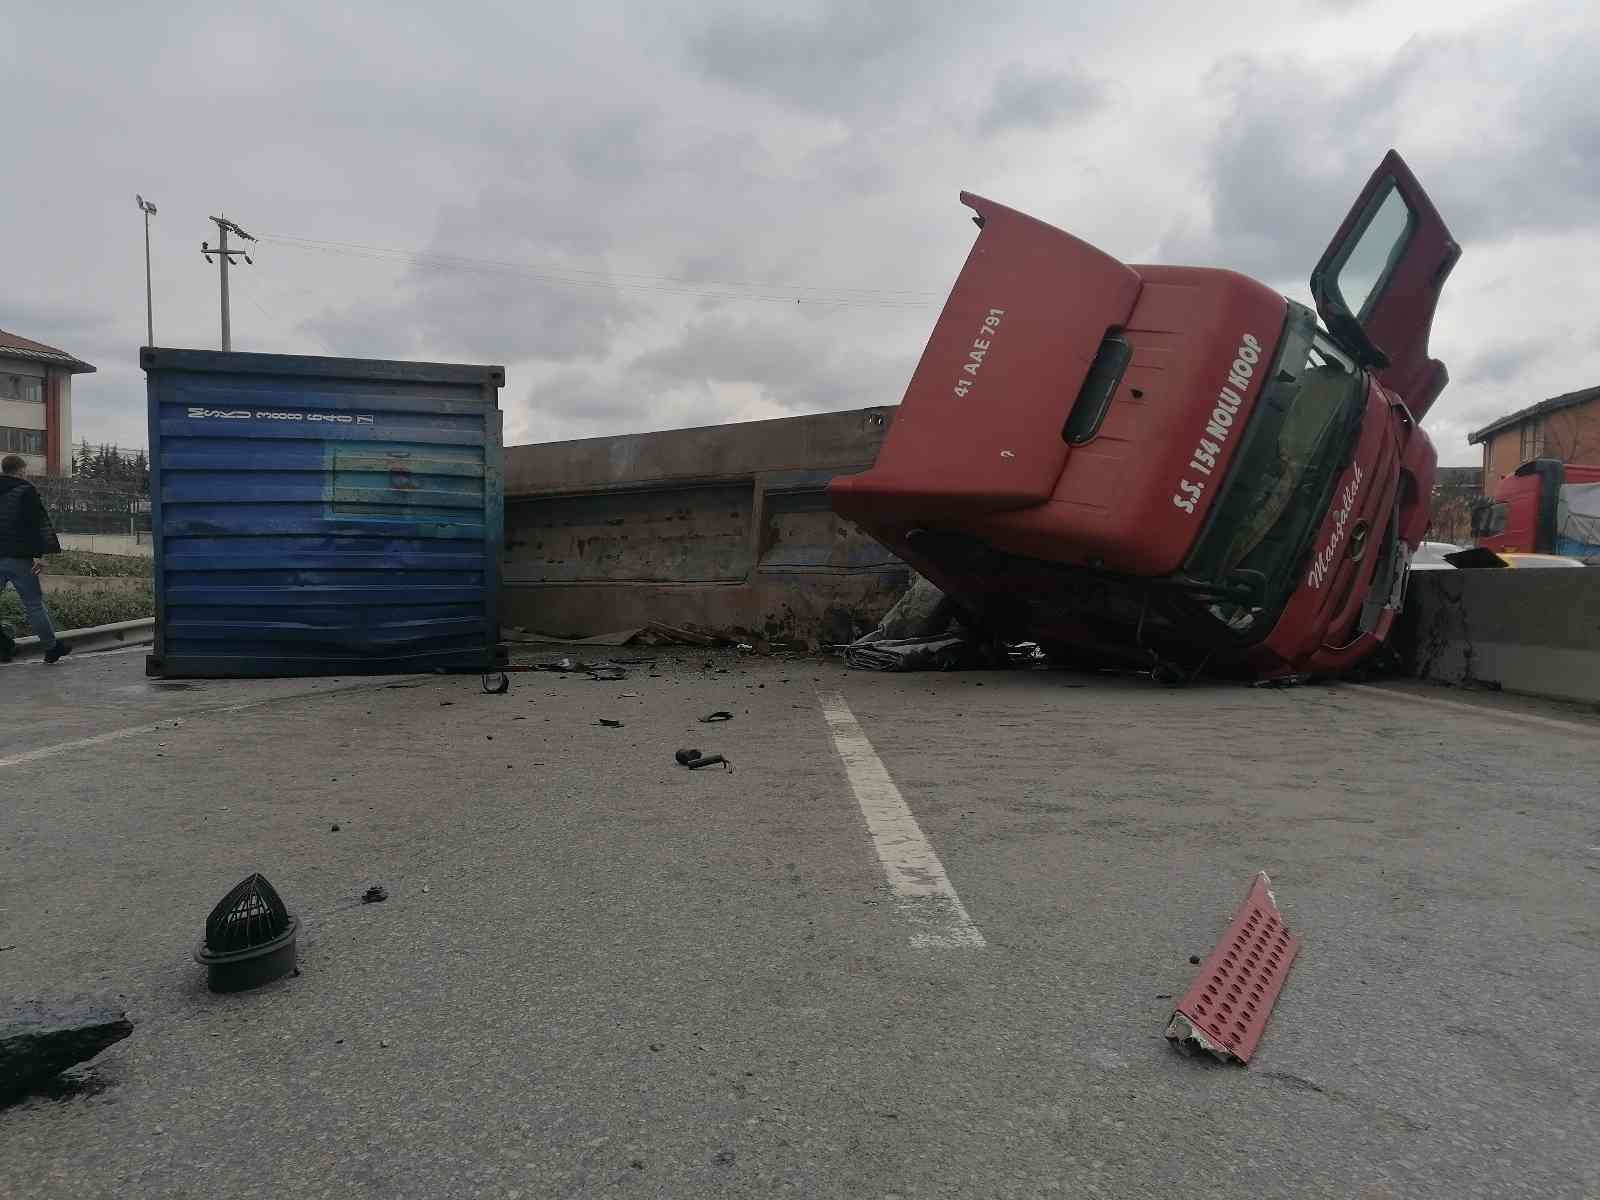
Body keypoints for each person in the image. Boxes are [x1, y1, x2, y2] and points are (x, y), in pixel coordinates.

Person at [0, 454, 72, 664]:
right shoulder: (26, 490)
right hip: (18, 558)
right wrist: (39, 555)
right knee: (33, 605)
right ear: (21, 470)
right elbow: (35, 525)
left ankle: (3, 646)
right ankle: (51, 648)